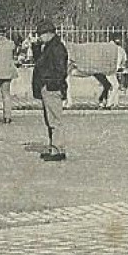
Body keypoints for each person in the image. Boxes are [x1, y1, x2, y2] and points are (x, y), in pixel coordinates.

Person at [32, 21, 70, 162]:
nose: (39, 37)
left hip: (52, 87)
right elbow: (39, 62)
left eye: (40, 34)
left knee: (55, 119)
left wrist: (51, 82)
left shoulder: (57, 48)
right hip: (48, 86)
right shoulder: (49, 46)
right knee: (50, 119)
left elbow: (61, 70)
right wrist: (35, 47)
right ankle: (53, 147)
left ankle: (58, 149)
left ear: (48, 33)